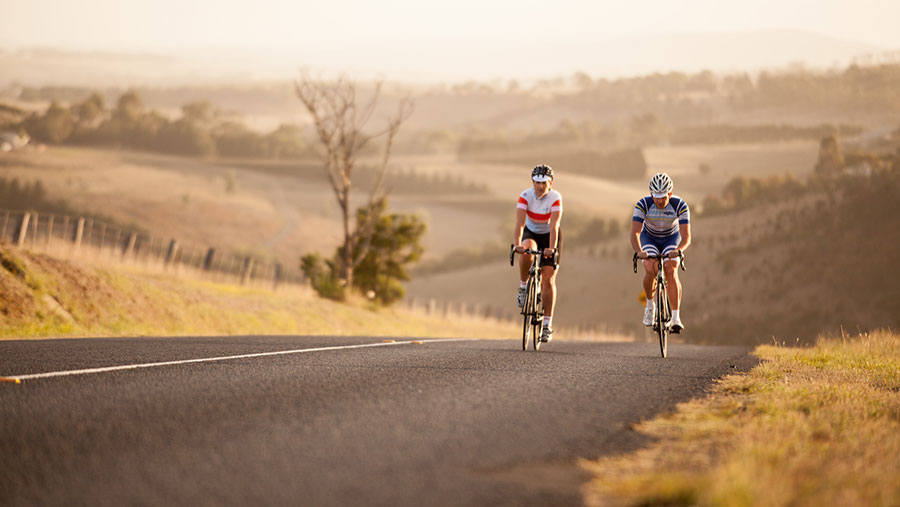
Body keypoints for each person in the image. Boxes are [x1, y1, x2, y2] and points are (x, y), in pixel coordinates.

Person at [630, 172, 692, 332]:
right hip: (649, 237)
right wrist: (639, 251)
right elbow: (635, 233)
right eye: (656, 196)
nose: (659, 200)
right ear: (651, 193)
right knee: (650, 268)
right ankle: (650, 306)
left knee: (671, 270)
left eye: (663, 197)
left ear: (670, 194)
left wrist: (679, 250)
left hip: (671, 238)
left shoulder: (680, 205)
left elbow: (686, 236)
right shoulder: (642, 204)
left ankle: (676, 318)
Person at [513, 164, 563, 342]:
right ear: (532, 182)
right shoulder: (525, 196)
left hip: (550, 236)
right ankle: (523, 286)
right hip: (532, 232)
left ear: (551, 183)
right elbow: (519, 224)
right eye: (537, 183)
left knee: (548, 281)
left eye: (544, 183)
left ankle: (547, 324)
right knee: (526, 250)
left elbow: (554, 226)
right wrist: (517, 244)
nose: (540, 187)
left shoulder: (555, 197)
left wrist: (551, 249)